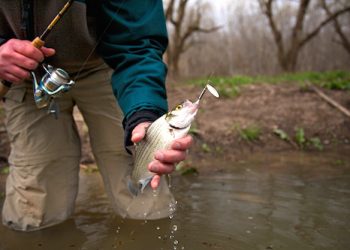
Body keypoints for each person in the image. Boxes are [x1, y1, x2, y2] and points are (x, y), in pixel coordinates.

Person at [0, 0, 192, 231]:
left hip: (109, 65)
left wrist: (144, 113)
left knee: (140, 176)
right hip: (20, 73)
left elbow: (138, 43)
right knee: (34, 205)